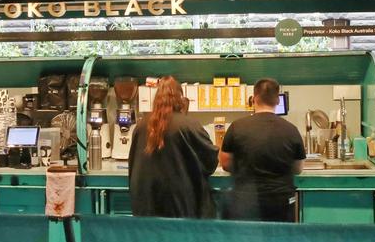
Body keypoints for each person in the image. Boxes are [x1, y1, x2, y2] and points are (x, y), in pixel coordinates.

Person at [128, 76, 218, 218]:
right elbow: (210, 163)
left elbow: (132, 163)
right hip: (181, 207)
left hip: (146, 206)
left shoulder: (141, 125)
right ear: (180, 99)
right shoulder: (189, 125)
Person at [219, 78, 306, 222]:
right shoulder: (291, 130)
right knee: (278, 240)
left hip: (246, 200)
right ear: (277, 101)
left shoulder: (237, 127)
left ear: (253, 99)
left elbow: (226, 163)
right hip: (280, 201)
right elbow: (297, 168)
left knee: (247, 241)